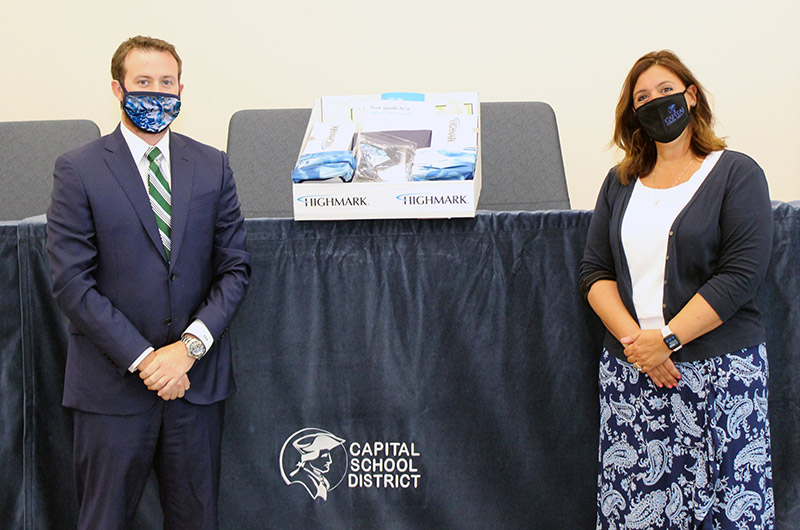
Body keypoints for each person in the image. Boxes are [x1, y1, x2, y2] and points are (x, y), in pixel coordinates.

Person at [46, 36, 251, 529]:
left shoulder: (212, 165)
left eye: (166, 83)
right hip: (111, 392)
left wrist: (188, 350)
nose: (157, 94)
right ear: (117, 89)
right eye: (143, 83)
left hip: (194, 388)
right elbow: (72, 282)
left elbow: (235, 267)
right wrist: (148, 361)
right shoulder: (78, 169)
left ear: (182, 88)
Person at [580, 50, 774, 529]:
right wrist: (638, 345)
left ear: (691, 96)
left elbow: (740, 274)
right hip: (633, 376)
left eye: (665, 91)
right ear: (633, 116)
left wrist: (666, 340)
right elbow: (594, 272)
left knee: (729, 511)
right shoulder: (619, 183)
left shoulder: (737, 173)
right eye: (641, 97)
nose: (655, 102)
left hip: (721, 380)